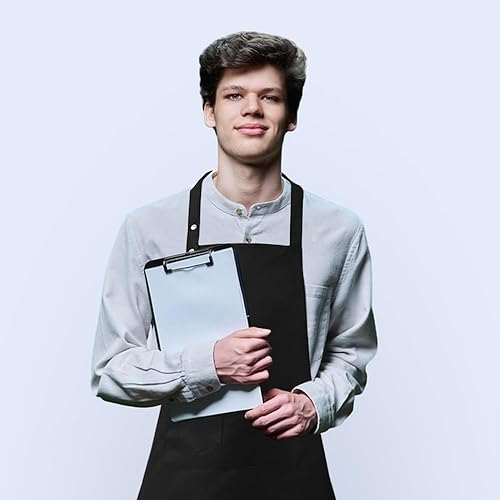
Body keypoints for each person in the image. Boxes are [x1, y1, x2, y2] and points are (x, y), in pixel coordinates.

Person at [91, 31, 377, 500]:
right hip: (184, 480)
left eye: (270, 97)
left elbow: (350, 354)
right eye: (234, 96)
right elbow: (111, 368)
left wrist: (313, 403)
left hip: (293, 478)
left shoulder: (338, 231)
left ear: (291, 117)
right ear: (210, 111)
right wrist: (209, 365)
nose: (252, 109)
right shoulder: (150, 227)